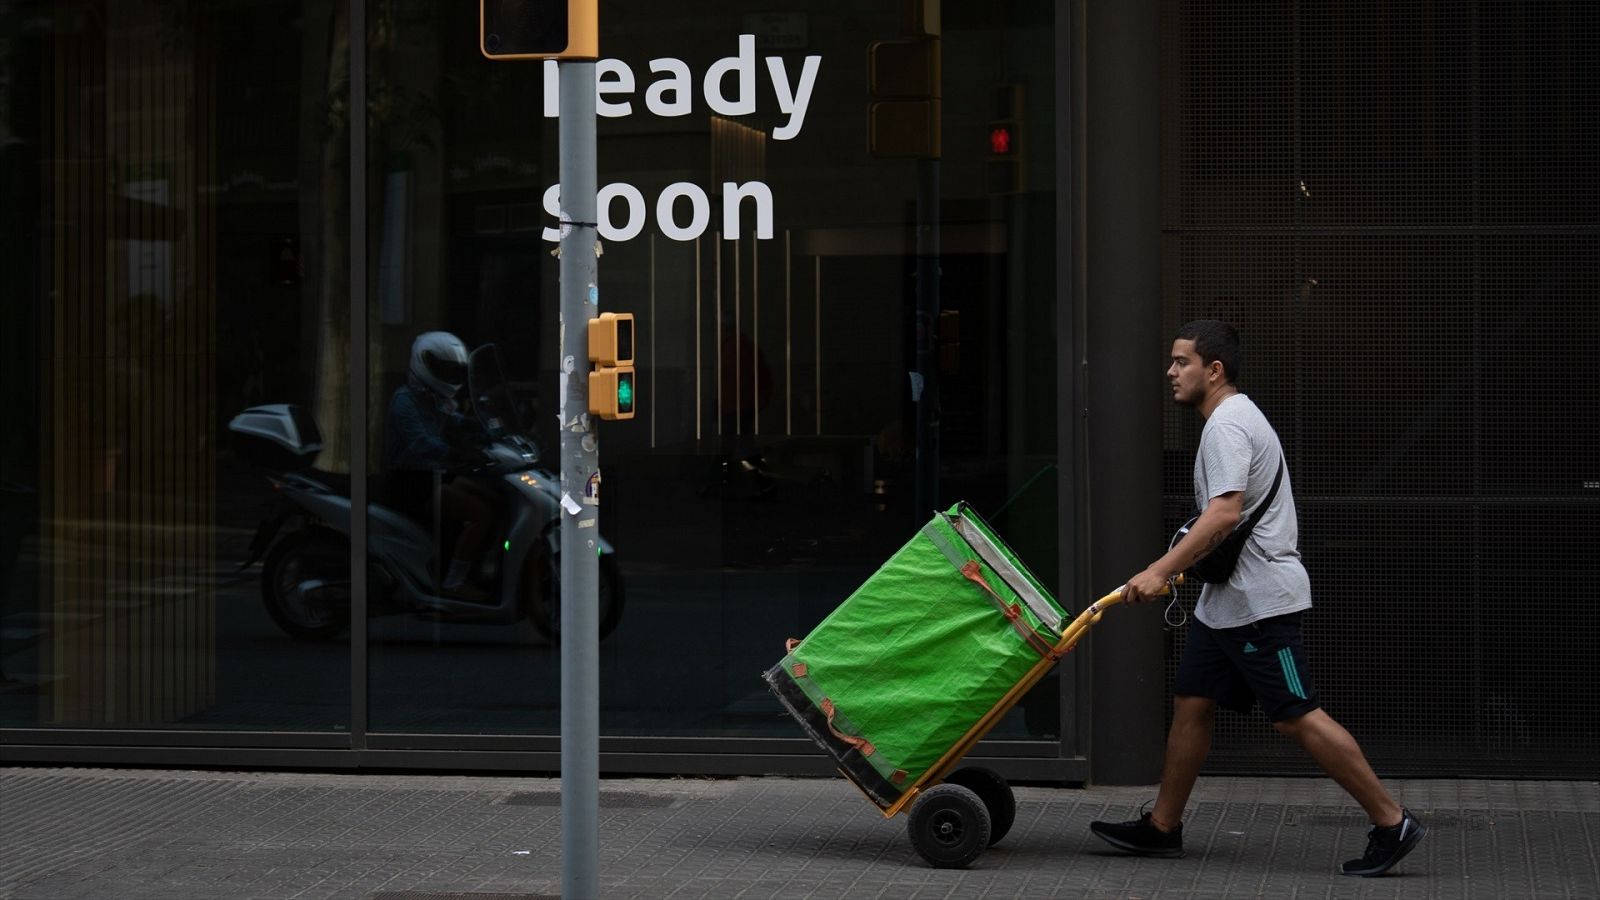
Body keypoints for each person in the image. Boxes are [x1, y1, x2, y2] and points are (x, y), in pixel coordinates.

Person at [1089, 319, 1425, 878]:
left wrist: (1158, 571)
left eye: (1181, 362)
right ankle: (1162, 828)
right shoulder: (1233, 420)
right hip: (1224, 604)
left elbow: (1222, 512)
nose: (1170, 372)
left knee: (1295, 714)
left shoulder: (1226, 425)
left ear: (1213, 370)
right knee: (1193, 700)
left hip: (1259, 604)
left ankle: (1392, 821)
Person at [385, 331, 494, 599]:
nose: (449, 377)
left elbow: (457, 421)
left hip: (434, 476)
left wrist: (493, 433)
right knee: (481, 514)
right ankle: (454, 583)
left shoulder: (432, 397)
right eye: (443, 370)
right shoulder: (405, 401)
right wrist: (459, 453)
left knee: (495, 499)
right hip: (412, 483)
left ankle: (474, 568)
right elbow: (421, 443)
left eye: (453, 371)